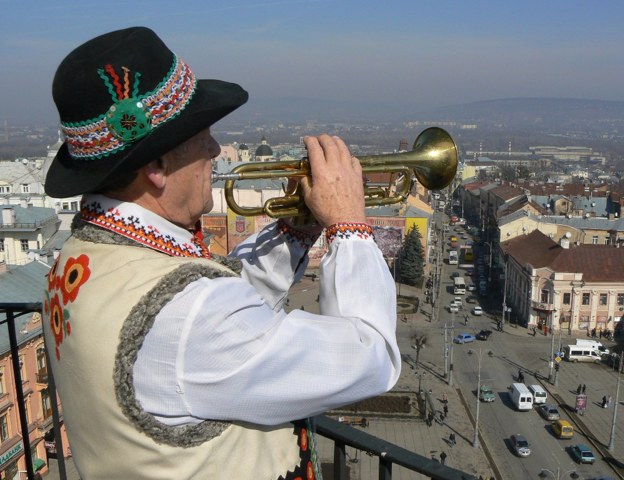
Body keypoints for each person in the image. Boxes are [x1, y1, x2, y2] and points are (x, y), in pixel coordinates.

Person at [42, 27, 401, 480]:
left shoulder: (76, 259)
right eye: (204, 137)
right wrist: (348, 225)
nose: (215, 150)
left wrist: (296, 228)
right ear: (156, 167)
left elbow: (217, 304)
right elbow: (370, 358)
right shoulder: (188, 315)